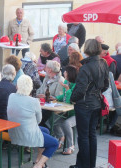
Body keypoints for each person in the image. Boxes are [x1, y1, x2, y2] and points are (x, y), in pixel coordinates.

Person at [69, 39, 109, 168]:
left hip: (85, 105)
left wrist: (72, 98)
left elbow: (80, 90)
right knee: (91, 135)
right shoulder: (103, 63)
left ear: (87, 49)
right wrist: (96, 92)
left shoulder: (86, 67)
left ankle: (83, 165)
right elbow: (105, 85)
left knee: (84, 137)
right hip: (96, 103)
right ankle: (89, 164)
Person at [7, 75, 58, 168]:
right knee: (54, 143)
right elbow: (39, 120)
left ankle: (38, 160)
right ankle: (38, 165)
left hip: (13, 131)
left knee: (45, 131)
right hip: (26, 134)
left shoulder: (11, 96)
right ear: (30, 87)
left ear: (17, 86)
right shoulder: (34, 101)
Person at [53, 65, 78, 155]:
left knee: (66, 123)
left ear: (69, 73)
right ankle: (61, 137)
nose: (64, 72)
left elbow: (70, 100)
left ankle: (71, 146)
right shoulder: (66, 81)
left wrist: (67, 89)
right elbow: (64, 97)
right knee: (55, 121)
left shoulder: (76, 85)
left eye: (65, 71)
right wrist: (55, 98)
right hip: (67, 112)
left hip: (76, 113)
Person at [36, 60, 64, 129]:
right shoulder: (46, 78)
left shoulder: (60, 80)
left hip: (51, 108)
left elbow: (59, 97)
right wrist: (38, 95)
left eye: (46, 67)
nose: (44, 68)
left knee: (38, 119)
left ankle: (45, 132)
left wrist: (48, 97)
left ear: (50, 70)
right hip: (42, 105)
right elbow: (39, 90)